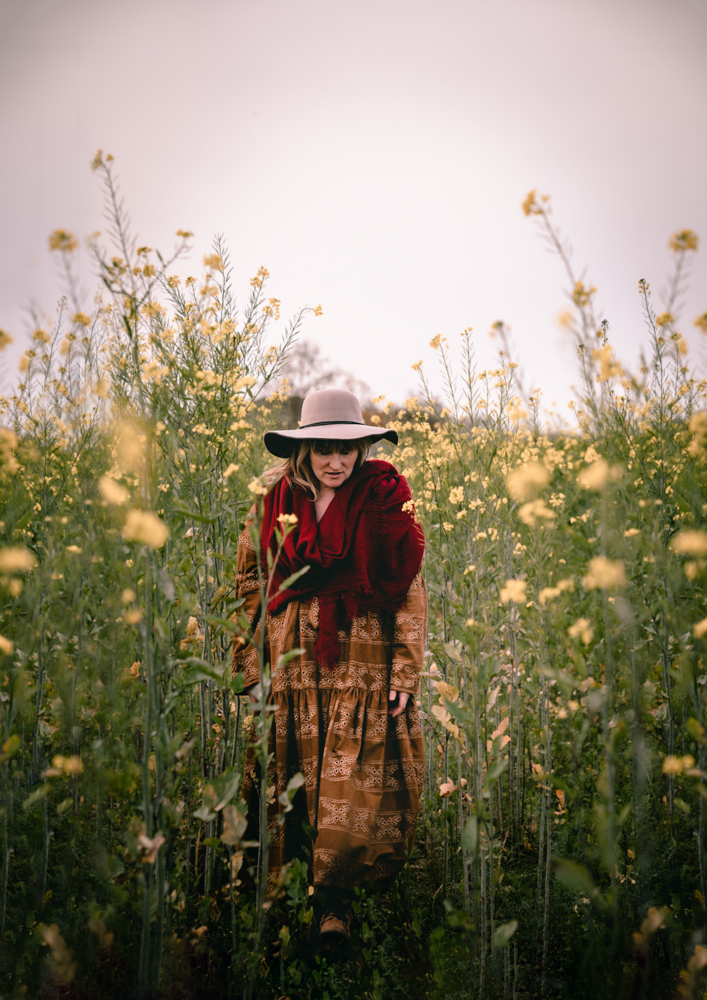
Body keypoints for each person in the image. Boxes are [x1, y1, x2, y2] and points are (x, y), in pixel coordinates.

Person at [232, 388, 427, 940]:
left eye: (347, 449)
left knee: (350, 782)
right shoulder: (273, 502)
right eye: (324, 449)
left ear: (363, 448)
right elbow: (250, 581)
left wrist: (405, 672)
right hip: (290, 662)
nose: (337, 461)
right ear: (304, 450)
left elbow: (410, 589)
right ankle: (282, 899)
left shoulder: (385, 499)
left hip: (360, 661)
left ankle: (334, 906)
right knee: (289, 778)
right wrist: (252, 664)